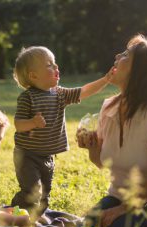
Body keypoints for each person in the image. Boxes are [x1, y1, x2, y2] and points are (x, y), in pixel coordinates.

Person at [77, 34, 147, 227]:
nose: (117, 56)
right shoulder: (108, 108)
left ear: (139, 71)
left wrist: (123, 210)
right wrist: (92, 148)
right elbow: (102, 162)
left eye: (125, 55)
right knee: (87, 225)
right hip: (118, 196)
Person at [11, 46, 113, 216]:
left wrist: (106, 79)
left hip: (47, 156)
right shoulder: (27, 97)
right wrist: (33, 122)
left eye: (55, 63)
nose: (56, 67)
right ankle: (14, 212)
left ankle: (36, 221)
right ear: (33, 75)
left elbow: (84, 91)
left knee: (44, 195)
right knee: (32, 192)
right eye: (49, 65)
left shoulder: (59, 94)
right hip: (27, 155)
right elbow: (18, 124)